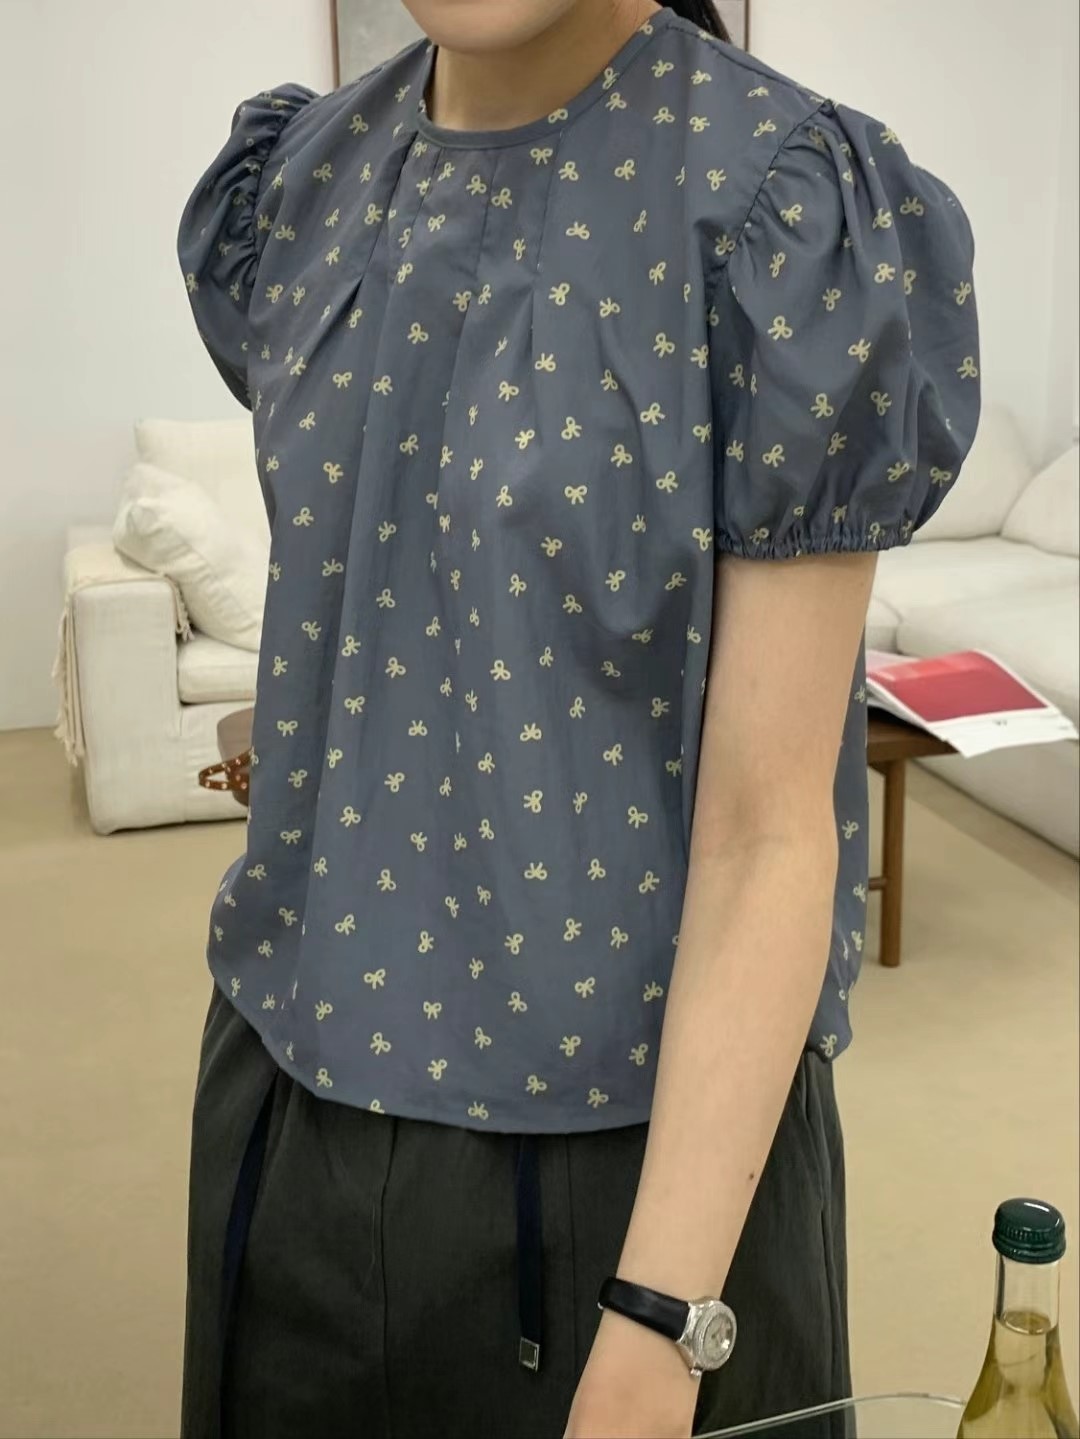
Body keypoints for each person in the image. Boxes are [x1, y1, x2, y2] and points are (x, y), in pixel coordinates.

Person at [176, 2, 980, 1435]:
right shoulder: (298, 180)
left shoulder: (781, 206)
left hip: (639, 1161)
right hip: (284, 1102)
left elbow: (771, 831)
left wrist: (663, 1320)